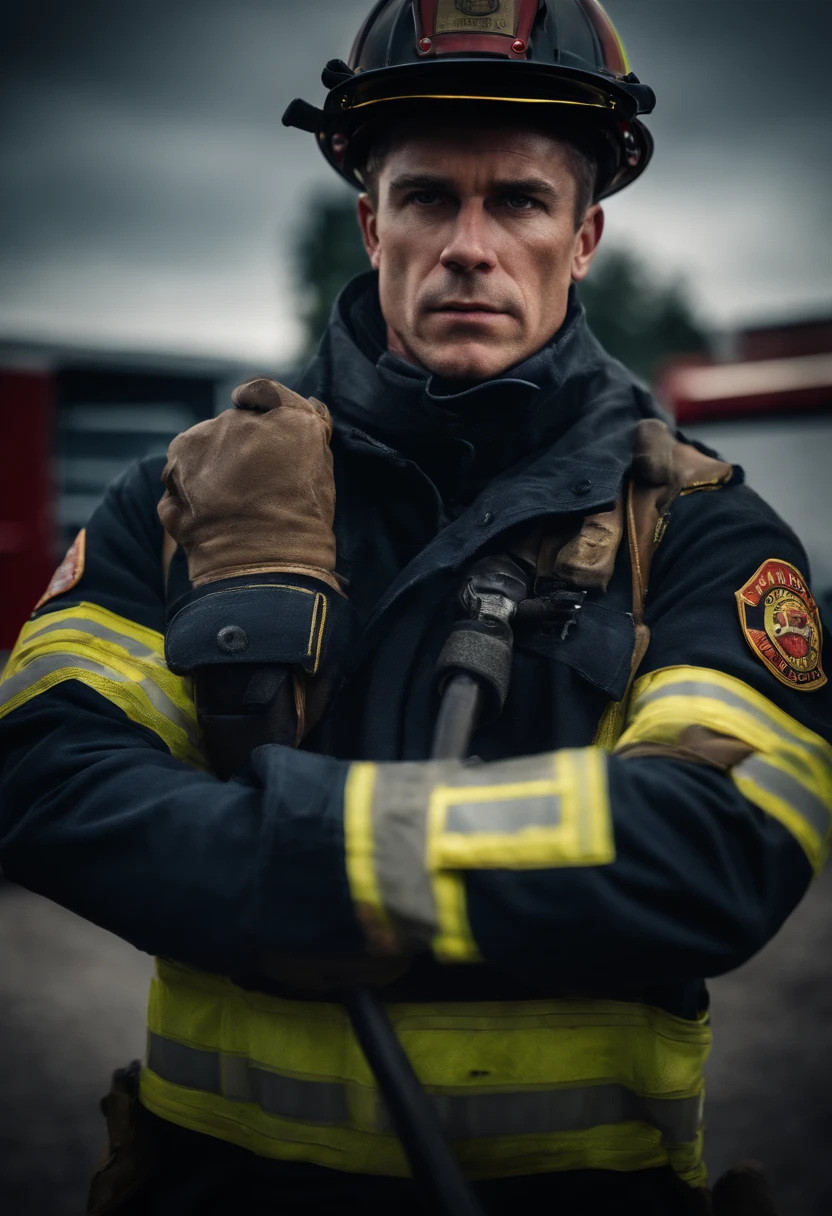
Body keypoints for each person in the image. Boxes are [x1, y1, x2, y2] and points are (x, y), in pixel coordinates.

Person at [0, 2, 828, 1214]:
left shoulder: (701, 526)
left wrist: (296, 848)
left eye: (522, 203)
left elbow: (725, 844)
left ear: (585, 236)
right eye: (429, 197)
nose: (468, 246)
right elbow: (42, 769)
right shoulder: (186, 493)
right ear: (369, 221)